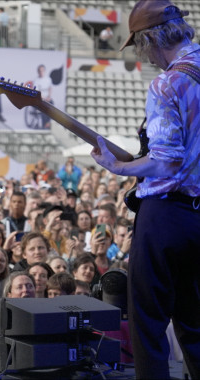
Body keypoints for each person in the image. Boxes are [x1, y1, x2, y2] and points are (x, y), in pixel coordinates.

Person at [91, 1, 200, 378]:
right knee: (195, 321)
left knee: (147, 318)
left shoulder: (168, 82)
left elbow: (166, 160)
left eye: (140, 46)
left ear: (150, 40)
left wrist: (119, 166)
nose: (144, 56)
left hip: (166, 214)